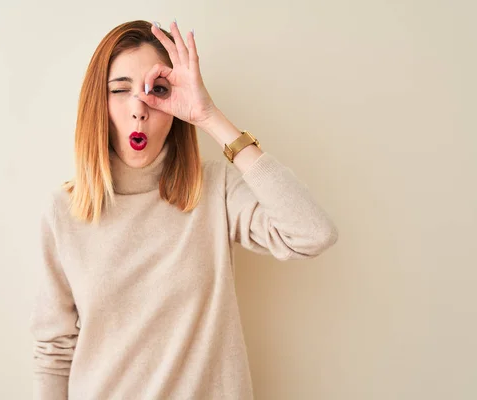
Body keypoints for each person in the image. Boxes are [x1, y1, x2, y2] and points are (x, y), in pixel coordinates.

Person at [29, 19, 338, 400]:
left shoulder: (215, 191)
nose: (139, 109)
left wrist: (209, 116)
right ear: (98, 102)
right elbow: (54, 355)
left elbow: (312, 233)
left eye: (157, 91)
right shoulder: (64, 212)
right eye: (120, 90)